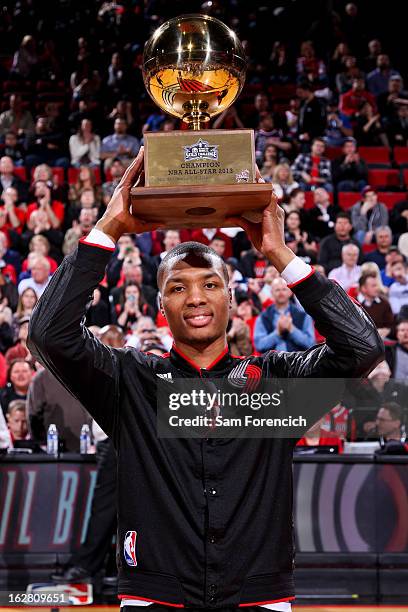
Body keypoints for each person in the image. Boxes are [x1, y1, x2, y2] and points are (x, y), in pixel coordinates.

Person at [28, 148, 382, 611]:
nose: (195, 297)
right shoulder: (130, 380)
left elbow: (362, 347)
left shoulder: (275, 381)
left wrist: (280, 254)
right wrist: (108, 229)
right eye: (178, 287)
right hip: (156, 597)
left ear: (232, 300)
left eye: (210, 284)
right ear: (161, 307)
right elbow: (48, 333)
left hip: (259, 597)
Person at [254, 277, 315, 353]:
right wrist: (277, 333)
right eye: (277, 290)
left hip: (298, 362)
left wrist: (292, 329)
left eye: (284, 289)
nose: (281, 293)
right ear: (271, 292)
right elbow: (259, 345)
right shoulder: (263, 317)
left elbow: (311, 344)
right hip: (271, 363)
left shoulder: (303, 315)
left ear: (290, 292)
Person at [357, 272, 394, 338]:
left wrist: (388, 330)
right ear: (363, 288)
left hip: (382, 340)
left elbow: (392, 325)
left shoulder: (384, 303)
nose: (377, 288)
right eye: (373, 286)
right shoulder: (353, 304)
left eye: (377, 285)